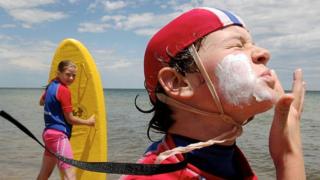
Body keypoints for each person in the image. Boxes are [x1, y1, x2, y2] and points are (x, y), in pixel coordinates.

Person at [122, 7, 306, 179]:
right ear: (179, 83)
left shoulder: (232, 163)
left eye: (252, 44)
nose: (264, 54)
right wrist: (288, 157)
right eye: (237, 45)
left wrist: (287, 152)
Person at [37, 60, 95, 180]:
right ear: (59, 72)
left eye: (74, 75)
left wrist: (54, 106)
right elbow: (70, 119)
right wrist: (88, 122)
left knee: (44, 174)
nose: (71, 78)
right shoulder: (64, 90)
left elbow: (41, 102)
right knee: (70, 175)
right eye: (68, 74)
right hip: (58, 137)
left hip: (48, 135)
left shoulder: (51, 86)